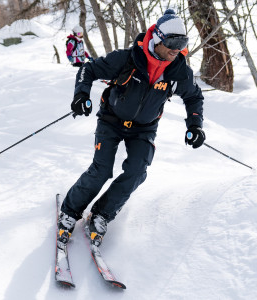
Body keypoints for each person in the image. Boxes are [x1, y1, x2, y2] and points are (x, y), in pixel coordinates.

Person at [58, 9, 206, 247]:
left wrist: (195, 125)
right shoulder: (127, 58)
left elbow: (194, 98)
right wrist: (81, 95)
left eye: (183, 42)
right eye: (172, 41)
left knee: (137, 171)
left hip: (144, 129)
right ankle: (69, 210)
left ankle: (102, 215)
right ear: (157, 37)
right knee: (101, 170)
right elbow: (89, 69)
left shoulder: (179, 72)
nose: (177, 48)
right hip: (111, 119)